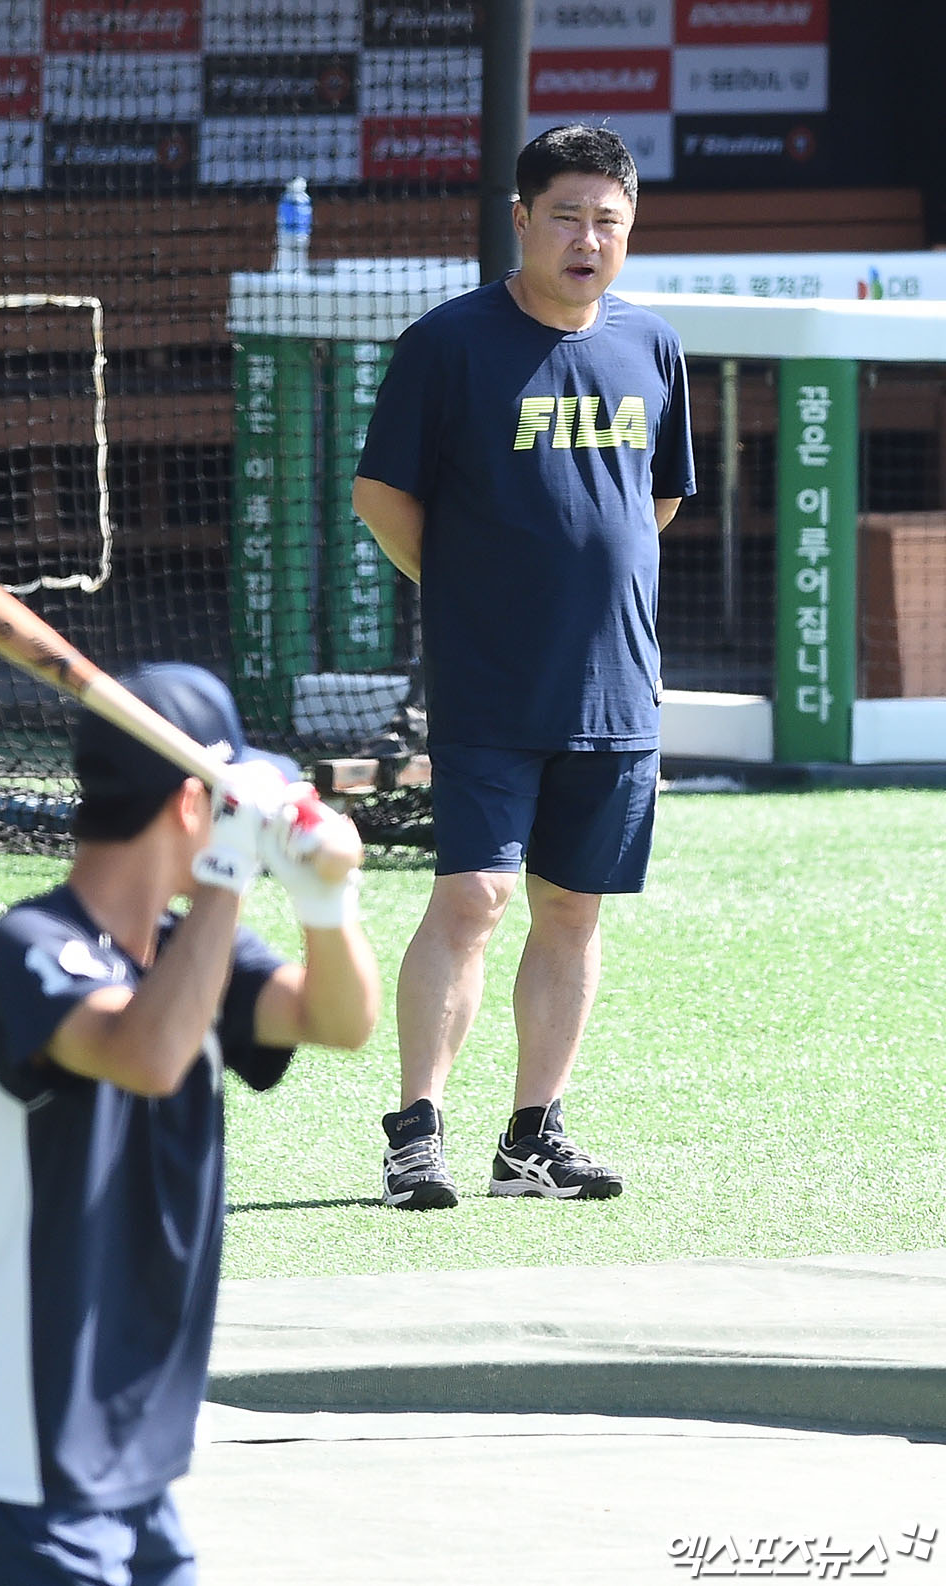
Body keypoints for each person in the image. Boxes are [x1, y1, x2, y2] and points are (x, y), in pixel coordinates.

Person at [0, 661, 379, 1584]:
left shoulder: (200, 951)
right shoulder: (25, 949)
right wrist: (231, 873)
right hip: (5, 1461)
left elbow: (339, 1020)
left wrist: (326, 900)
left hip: (131, 1464)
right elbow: (148, 1054)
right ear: (195, 807)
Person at [352, 123, 696, 1211]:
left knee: (572, 910)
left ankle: (532, 1139)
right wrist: (467, 592)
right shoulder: (448, 343)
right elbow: (382, 497)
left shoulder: (654, 346)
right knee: (476, 894)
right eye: (567, 215)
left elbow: (659, 502)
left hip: (617, 689)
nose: (588, 238)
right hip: (493, 683)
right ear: (520, 219)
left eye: (609, 220)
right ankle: (418, 1133)